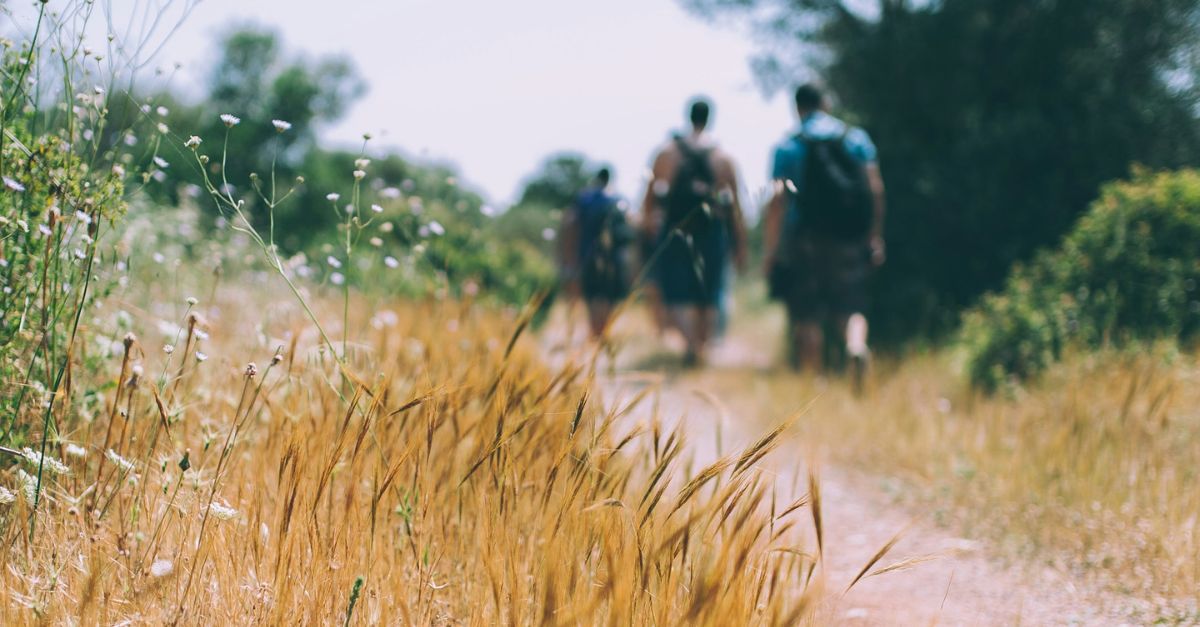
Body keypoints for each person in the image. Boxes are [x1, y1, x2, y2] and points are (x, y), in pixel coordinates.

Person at [763, 83, 886, 385]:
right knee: (850, 303)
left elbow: (778, 202)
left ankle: (813, 382)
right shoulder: (855, 139)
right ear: (826, 104)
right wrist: (874, 235)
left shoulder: (788, 145)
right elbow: (875, 189)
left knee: (807, 311)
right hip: (849, 234)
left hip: (805, 238)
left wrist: (771, 251)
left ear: (797, 107)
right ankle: (855, 346)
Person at [642, 98, 748, 366]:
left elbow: (649, 200)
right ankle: (701, 347)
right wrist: (740, 245)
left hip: (676, 229)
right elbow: (735, 206)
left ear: (688, 117)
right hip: (712, 230)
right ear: (710, 117)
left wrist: (648, 236)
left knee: (679, 289)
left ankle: (690, 343)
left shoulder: (667, 152)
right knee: (708, 290)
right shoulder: (723, 157)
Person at [559, 167, 633, 340]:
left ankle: (595, 332)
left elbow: (571, 225)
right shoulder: (618, 198)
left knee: (592, 295)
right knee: (609, 295)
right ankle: (603, 330)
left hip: (588, 255)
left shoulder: (585, 198)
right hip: (615, 257)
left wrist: (569, 256)